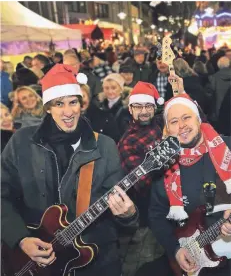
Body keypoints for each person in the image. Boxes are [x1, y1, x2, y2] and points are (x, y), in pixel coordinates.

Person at [1, 64, 139, 276]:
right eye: (59, 104)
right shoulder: (21, 142)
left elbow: (120, 215)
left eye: (73, 102)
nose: (68, 112)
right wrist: (20, 239)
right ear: (47, 107)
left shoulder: (104, 146)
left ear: (81, 103)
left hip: (95, 261)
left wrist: (128, 214)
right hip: (33, 259)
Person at [149, 93, 231, 276]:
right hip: (197, 256)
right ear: (167, 129)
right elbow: (156, 215)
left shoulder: (227, 148)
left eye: (186, 117)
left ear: (198, 118)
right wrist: (175, 250)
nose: (182, 126)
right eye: (174, 121)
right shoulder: (165, 167)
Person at [118, 82, 165, 275]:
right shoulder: (127, 142)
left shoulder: (164, 124)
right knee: (154, 261)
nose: (144, 111)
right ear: (130, 109)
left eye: (148, 106)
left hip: (180, 203)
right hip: (153, 211)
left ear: (155, 108)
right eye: (138, 107)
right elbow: (143, 183)